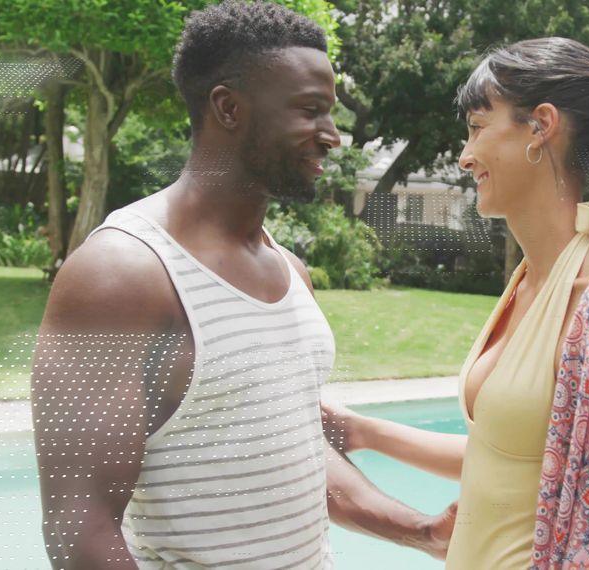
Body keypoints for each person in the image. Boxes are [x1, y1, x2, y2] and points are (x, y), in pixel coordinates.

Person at [31, 2, 455, 568]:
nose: (332, 135)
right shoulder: (124, 275)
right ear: (228, 108)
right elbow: (79, 526)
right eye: (310, 111)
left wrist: (421, 531)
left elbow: (296, 453)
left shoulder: (291, 273)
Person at [321, 37, 589, 569]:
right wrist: (363, 432)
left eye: (476, 127)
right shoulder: (531, 280)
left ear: (540, 126)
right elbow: (515, 461)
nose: (465, 156)